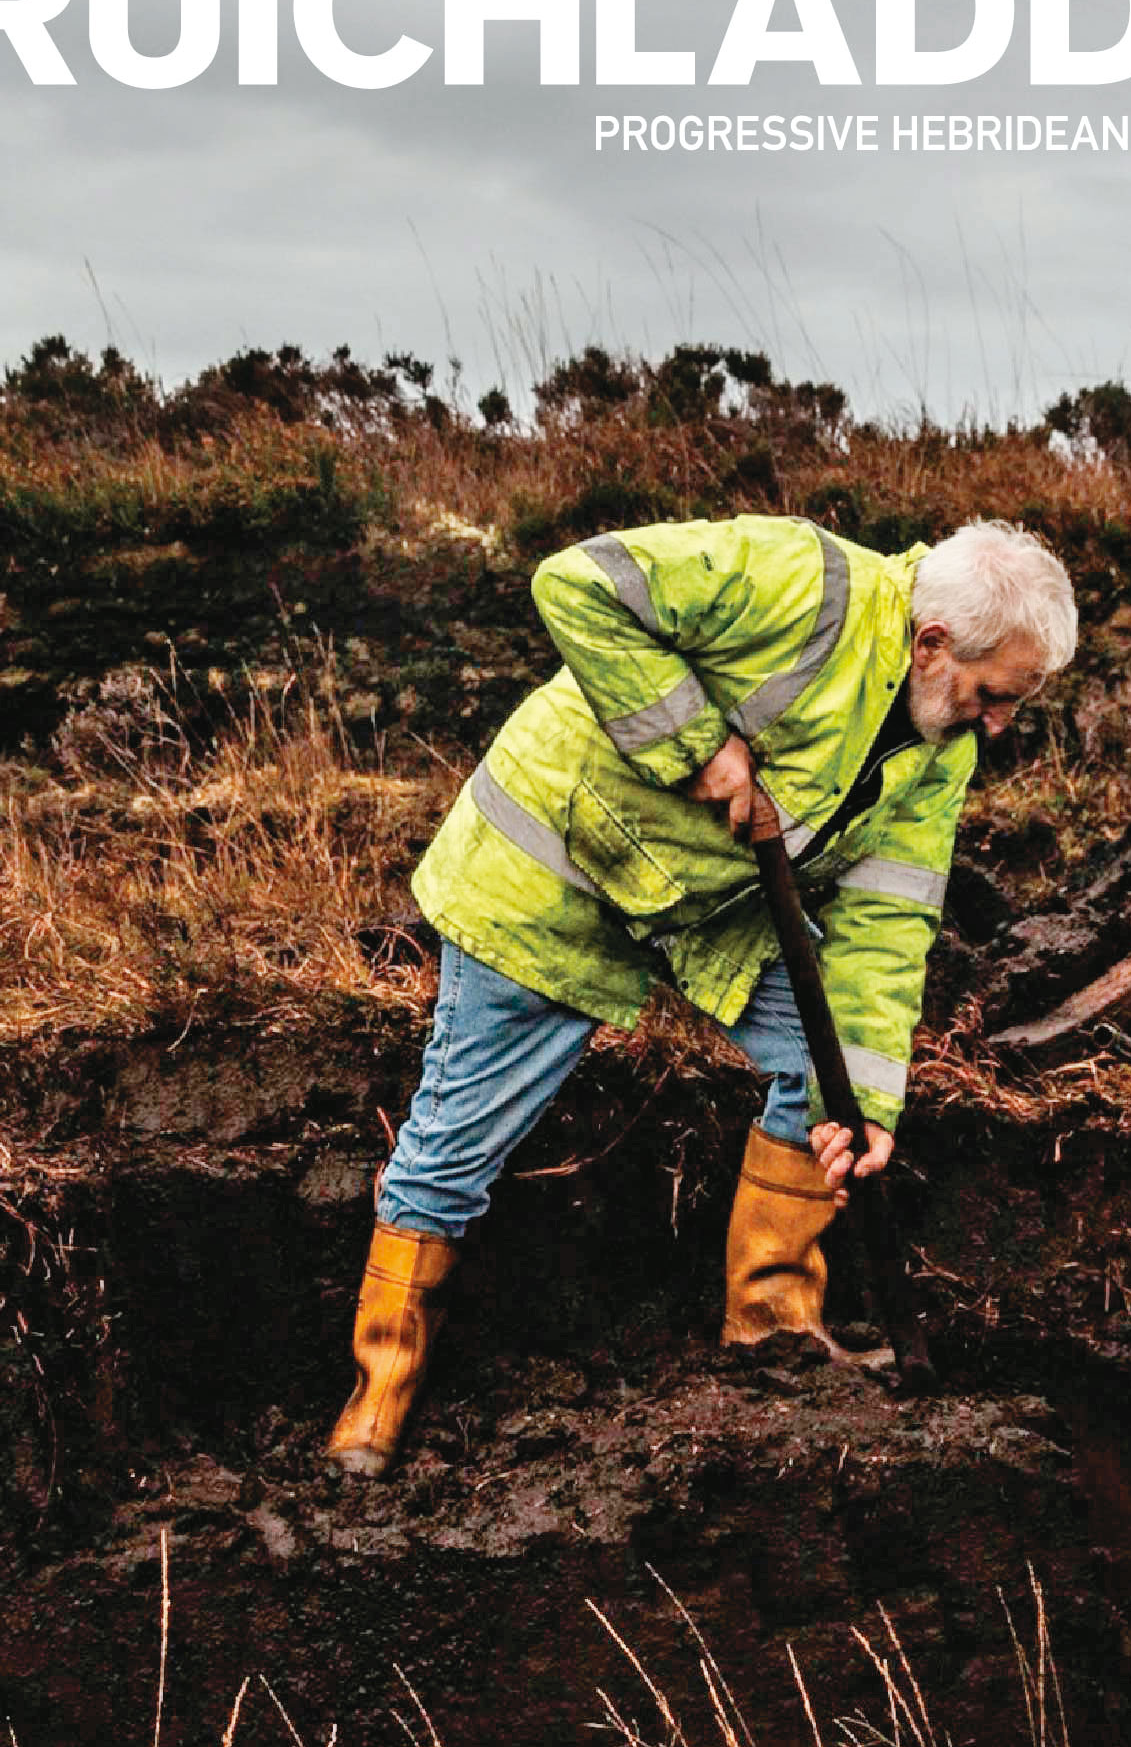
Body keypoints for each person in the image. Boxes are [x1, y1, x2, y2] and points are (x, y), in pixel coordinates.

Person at [326, 513, 1076, 1477]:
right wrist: (694, 741)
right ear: (933, 644)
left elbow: (888, 930)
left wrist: (869, 1106)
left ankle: (771, 1345)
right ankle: (376, 1398)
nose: (999, 722)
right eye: (992, 695)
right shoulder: (800, 582)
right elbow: (578, 583)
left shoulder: (940, 750)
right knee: (455, 1142)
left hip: (706, 903)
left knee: (824, 1068)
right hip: (554, 865)